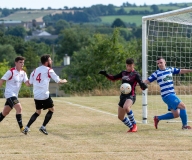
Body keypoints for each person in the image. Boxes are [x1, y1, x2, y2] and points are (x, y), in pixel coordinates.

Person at [99, 58, 147, 132]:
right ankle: (131, 127)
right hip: (123, 96)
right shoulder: (123, 73)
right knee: (120, 117)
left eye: (130, 66)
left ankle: (134, 125)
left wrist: (143, 86)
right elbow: (113, 78)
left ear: (133, 65)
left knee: (126, 107)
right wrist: (105, 74)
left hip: (131, 96)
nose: (128, 67)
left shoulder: (136, 74)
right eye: (127, 65)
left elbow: (141, 84)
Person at [23, 54, 67, 135]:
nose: (51, 61)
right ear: (46, 62)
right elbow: (58, 81)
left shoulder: (35, 70)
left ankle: (27, 127)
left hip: (36, 95)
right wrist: (64, 80)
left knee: (37, 112)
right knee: (52, 109)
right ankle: (43, 127)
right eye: (50, 60)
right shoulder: (48, 70)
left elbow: (30, 83)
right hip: (44, 95)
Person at [144, 57, 192, 130]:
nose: (159, 64)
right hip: (167, 95)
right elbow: (147, 81)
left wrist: (190, 70)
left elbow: (181, 70)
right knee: (182, 106)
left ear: (165, 62)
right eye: (158, 63)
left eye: (161, 62)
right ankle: (185, 126)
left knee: (176, 114)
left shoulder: (170, 69)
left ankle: (157, 118)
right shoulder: (156, 73)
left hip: (172, 95)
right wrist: (134, 84)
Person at [0, 56, 30, 133]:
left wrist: (34, 80)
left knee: (5, 113)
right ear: (15, 63)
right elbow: (2, 80)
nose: (22, 64)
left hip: (14, 95)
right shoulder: (11, 71)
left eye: (23, 62)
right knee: (19, 108)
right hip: (9, 95)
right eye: (20, 62)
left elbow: (27, 84)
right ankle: (22, 128)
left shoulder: (23, 73)